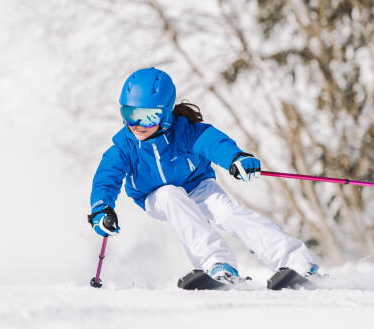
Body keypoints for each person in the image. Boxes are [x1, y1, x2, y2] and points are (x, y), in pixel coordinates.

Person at [87, 67, 320, 286]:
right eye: (129, 114)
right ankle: (215, 263)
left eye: (148, 117)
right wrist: (101, 209)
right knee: (170, 195)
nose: (136, 125)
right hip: (154, 196)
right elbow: (106, 178)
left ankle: (295, 260)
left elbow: (212, 142)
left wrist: (235, 159)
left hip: (197, 185)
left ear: (165, 113)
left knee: (227, 213)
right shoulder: (124, 146)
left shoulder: (184, 131)